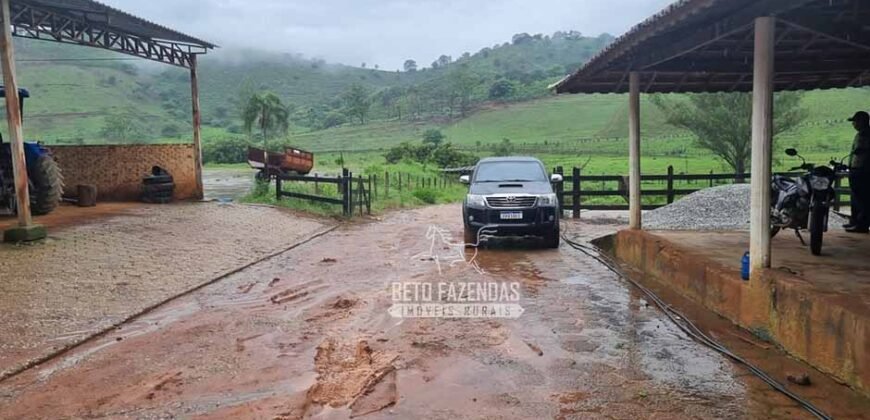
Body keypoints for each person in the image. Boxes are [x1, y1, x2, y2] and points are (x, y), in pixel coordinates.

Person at [845, 111, 870, 233]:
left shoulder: (866, 134)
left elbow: (862, 153)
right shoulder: (860, 134)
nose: (853, 124)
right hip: (856, 170)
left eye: (855, 121)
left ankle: (862, 224)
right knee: (855, 197)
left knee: (862, 199)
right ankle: (855, 221)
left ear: (862, 121)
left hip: (863, 171)